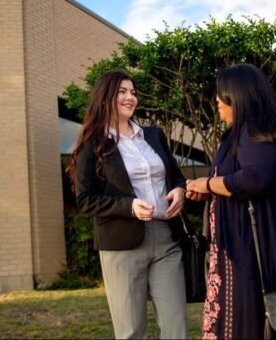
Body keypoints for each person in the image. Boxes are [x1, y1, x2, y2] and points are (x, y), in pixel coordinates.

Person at [186, 64, 276, 339]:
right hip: (242, 250)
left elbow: (256, 177)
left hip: (262, 255)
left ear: (238, 96)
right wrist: (210, 189)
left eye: (221, 95)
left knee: (262, 325)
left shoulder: (259, 127)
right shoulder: (240, 133)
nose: (216, 102)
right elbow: (239, 179)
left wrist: (209, 184)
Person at [68, 69, 190, 339]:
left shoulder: (153, 135)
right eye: (122, 92)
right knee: (131, 331)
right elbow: (85, 199)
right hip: (121, 245)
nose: (130, 97)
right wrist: (130, 205)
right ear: (105, 98)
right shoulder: (93, 143)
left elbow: (175, 175)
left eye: (133, 92)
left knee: (176, 325)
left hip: (166, 237)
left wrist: (180, 191)